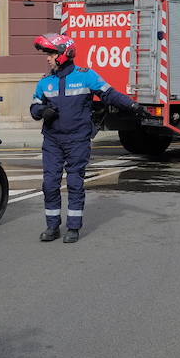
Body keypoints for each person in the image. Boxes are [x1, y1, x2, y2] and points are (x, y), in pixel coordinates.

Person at [31, 32, 146, 243]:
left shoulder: (86, 76)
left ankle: (73, 227)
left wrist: (132, 106)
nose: (47, 58)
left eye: (50, 54)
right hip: (52, 140)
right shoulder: (45, 82)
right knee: (49, 184)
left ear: (64, 54)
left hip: (78, 139)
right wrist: (41, 112)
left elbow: (109, 94)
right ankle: (52, 227)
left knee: (75, 182)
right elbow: (34, 107)